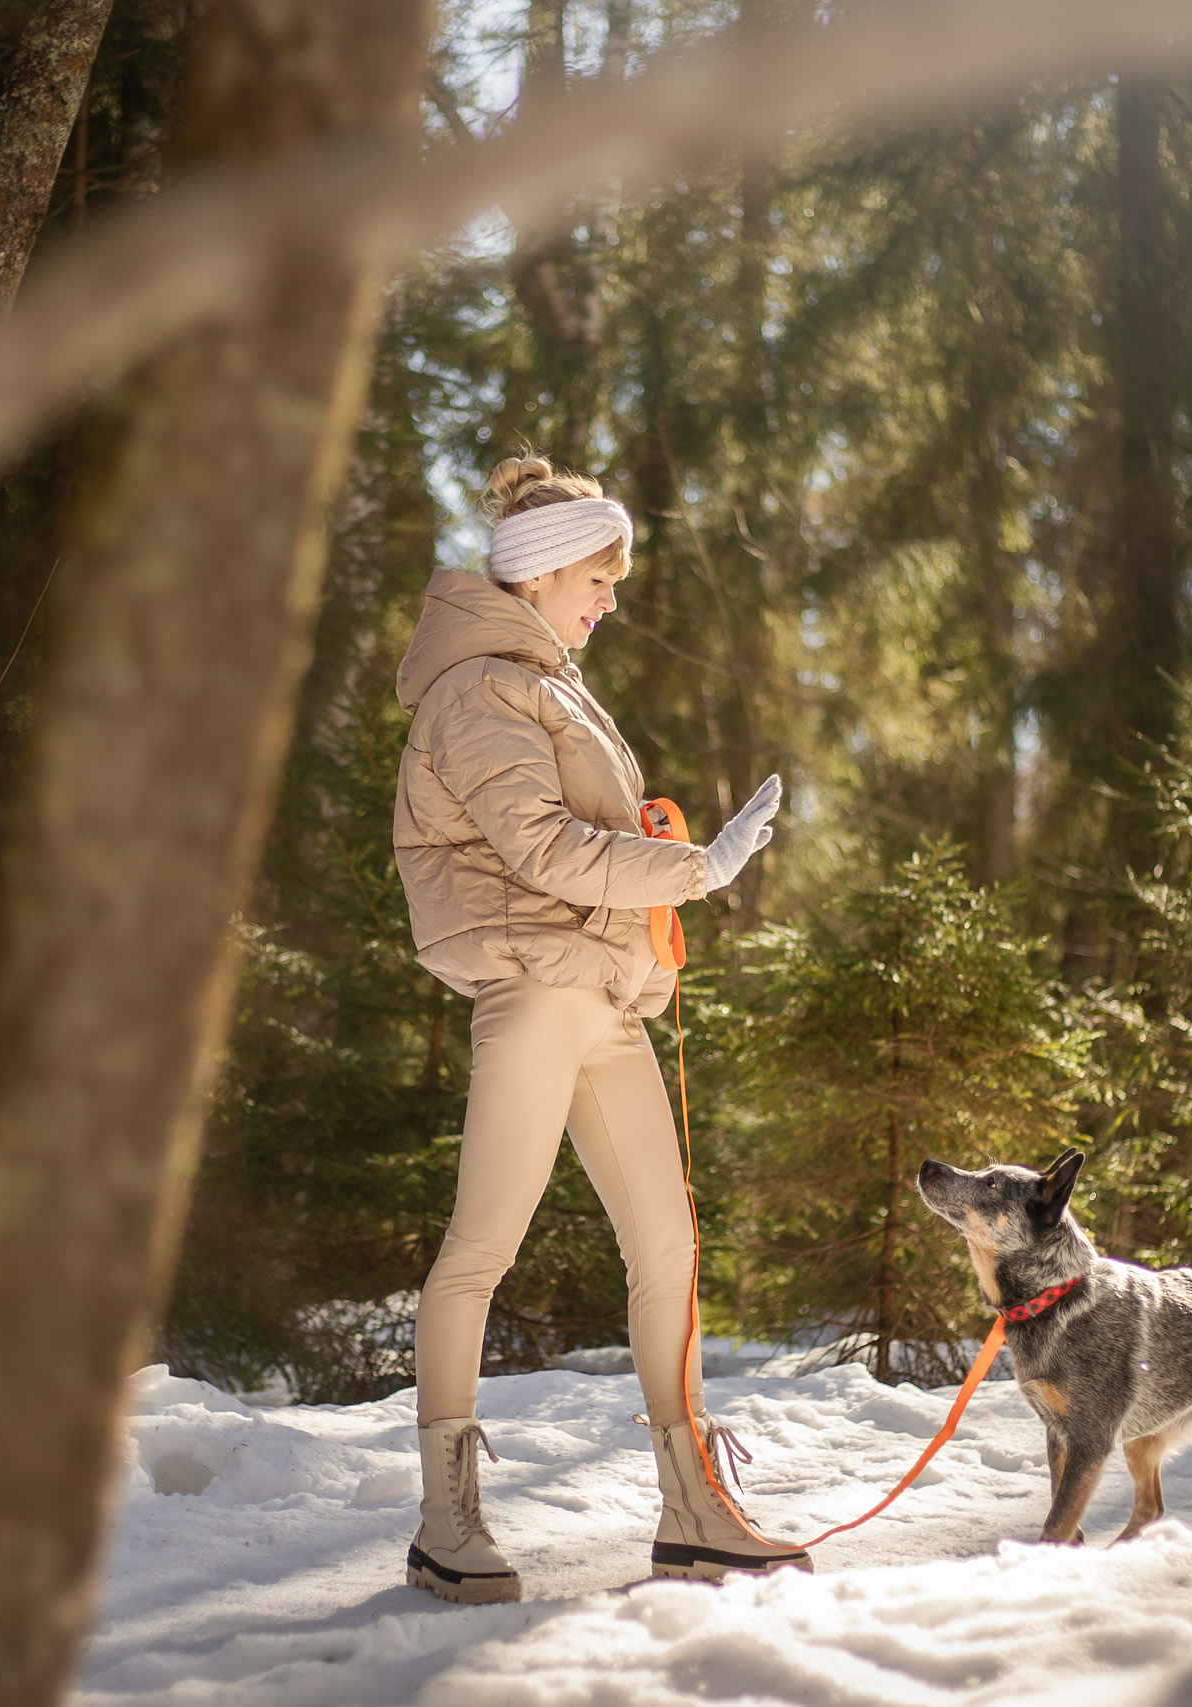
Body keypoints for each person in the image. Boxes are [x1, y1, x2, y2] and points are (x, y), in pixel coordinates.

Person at [391, 455, 805, 1603]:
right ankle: (445, 1523)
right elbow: (539, 848)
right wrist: (696, 867)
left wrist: (668, 864)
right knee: (480, 1252)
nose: (612, 599)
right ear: (538, 574)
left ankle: (692, 1511)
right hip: (533, 991)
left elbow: (587, 842)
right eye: (598, 578)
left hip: (604, 1001)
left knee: (667, 1247)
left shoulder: (552, 687)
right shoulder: (480, 688)